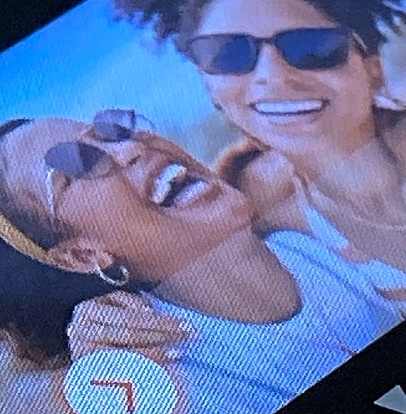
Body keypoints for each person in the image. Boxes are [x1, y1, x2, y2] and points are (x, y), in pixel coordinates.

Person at [0, 111, 400, 414]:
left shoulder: (329, 225)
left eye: (112, 129)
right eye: (77, 164)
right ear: (81, 255)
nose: (130, 147)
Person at [75, 0, 406, 356]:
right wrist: (96, 323)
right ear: (211, 89)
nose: (273, 76)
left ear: (372, 67)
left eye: (310, 46)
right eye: (229, 55)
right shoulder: (254, 205)